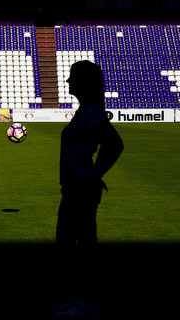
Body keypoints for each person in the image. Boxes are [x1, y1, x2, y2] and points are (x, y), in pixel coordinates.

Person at [53, 60, 124, 318]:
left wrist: (95, 174)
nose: (69, 81)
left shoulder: (92, 110)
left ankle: (87, 302)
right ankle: (79, 299)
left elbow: (114, 144)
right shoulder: (87, 109)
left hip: (81, 189)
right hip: (76, 188)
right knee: (74, 245)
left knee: (76, 246)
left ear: (84, 82)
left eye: (73, 77)